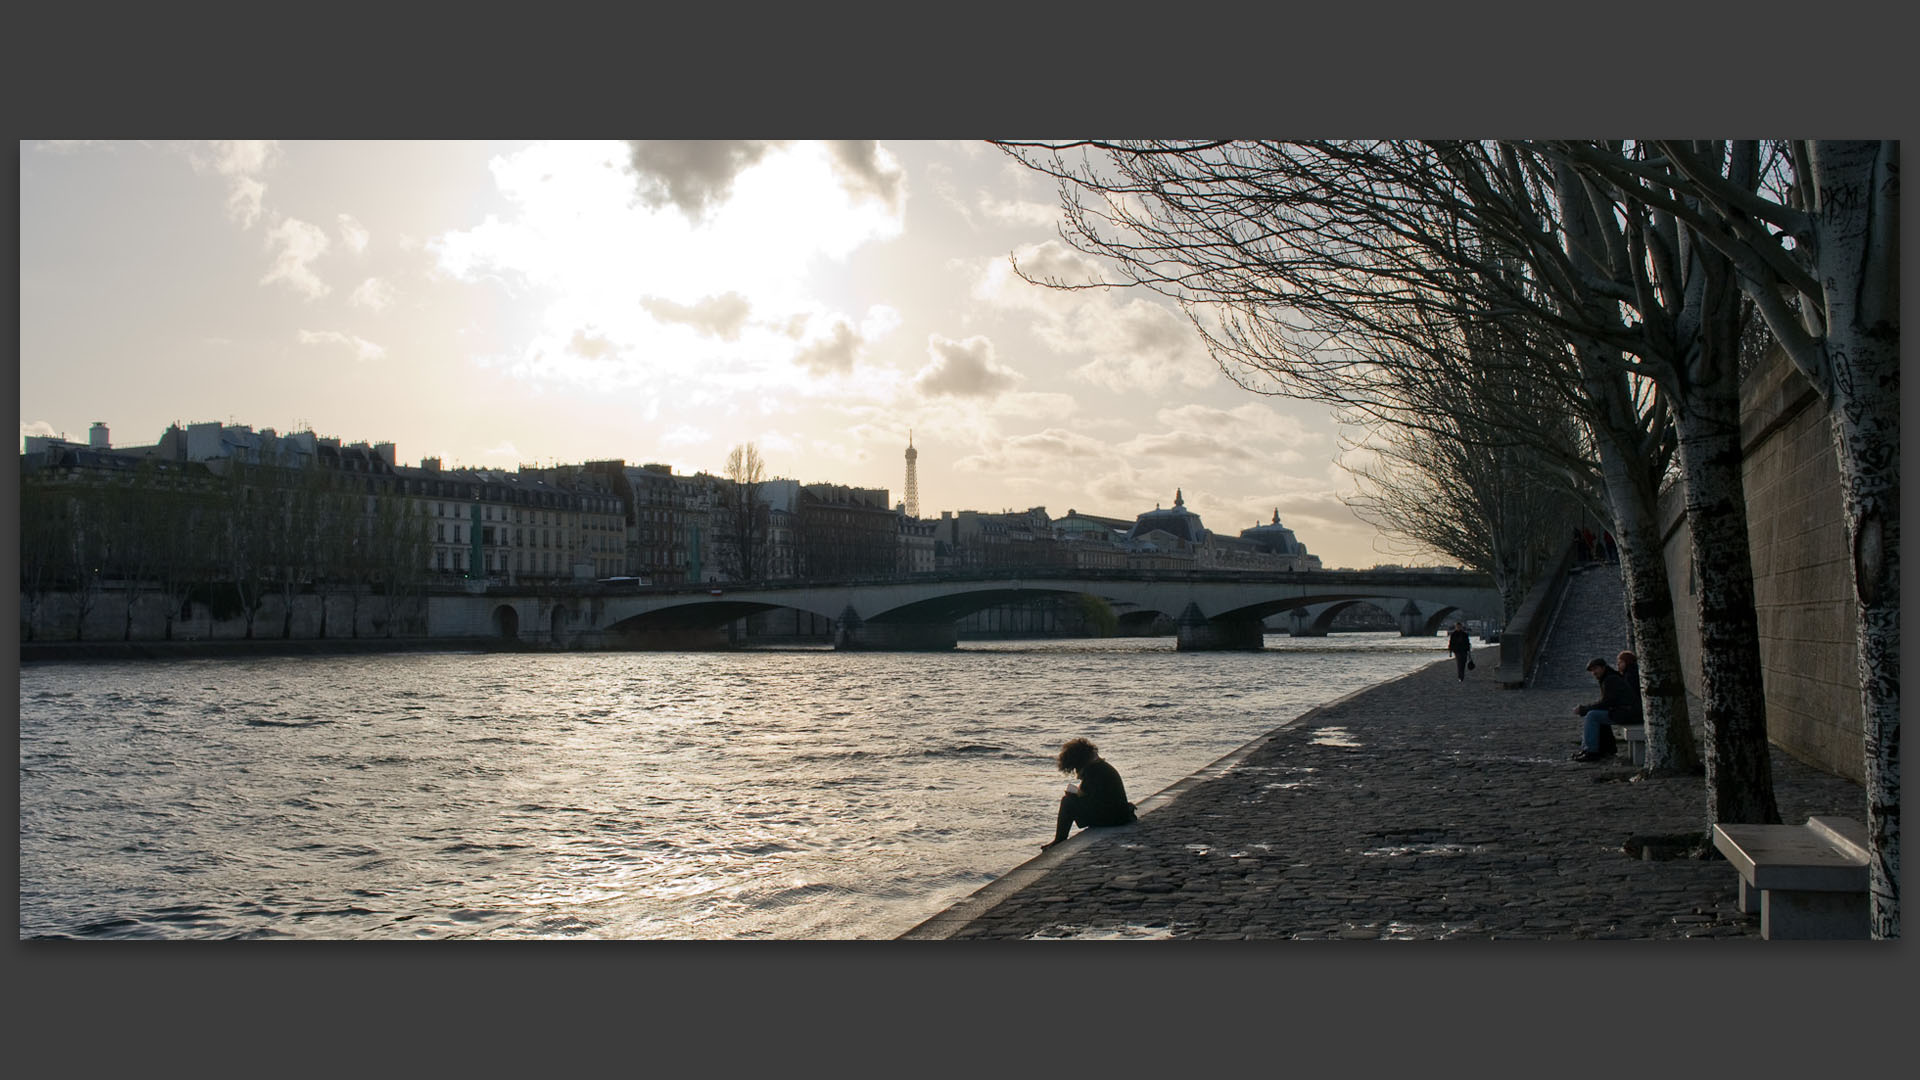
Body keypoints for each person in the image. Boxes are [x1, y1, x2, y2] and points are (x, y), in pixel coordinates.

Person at [1043, 737, 1136, 849]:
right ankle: (1059, 839)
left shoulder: (1094, 771)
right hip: (1119, 816)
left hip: (1111, 819)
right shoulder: (1100, 767)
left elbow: (1091, 800)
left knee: (1066, 802)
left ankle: (1059, 839)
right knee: (1070, 800)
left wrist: (1074, 796)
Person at [1570, 657, 1639, 762]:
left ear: (1603, 667)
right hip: (1625, 711)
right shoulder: (1609, 677)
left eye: (1595, 669)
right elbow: (1605, 702)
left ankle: (1591, 751)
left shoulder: (1610, 679)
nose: (1593, 672)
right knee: (1596, 714)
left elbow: (1606, 703)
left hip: (1627, 712)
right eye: (1592, 670)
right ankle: (1600, 749)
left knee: (1592, 716)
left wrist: (1584, 709)